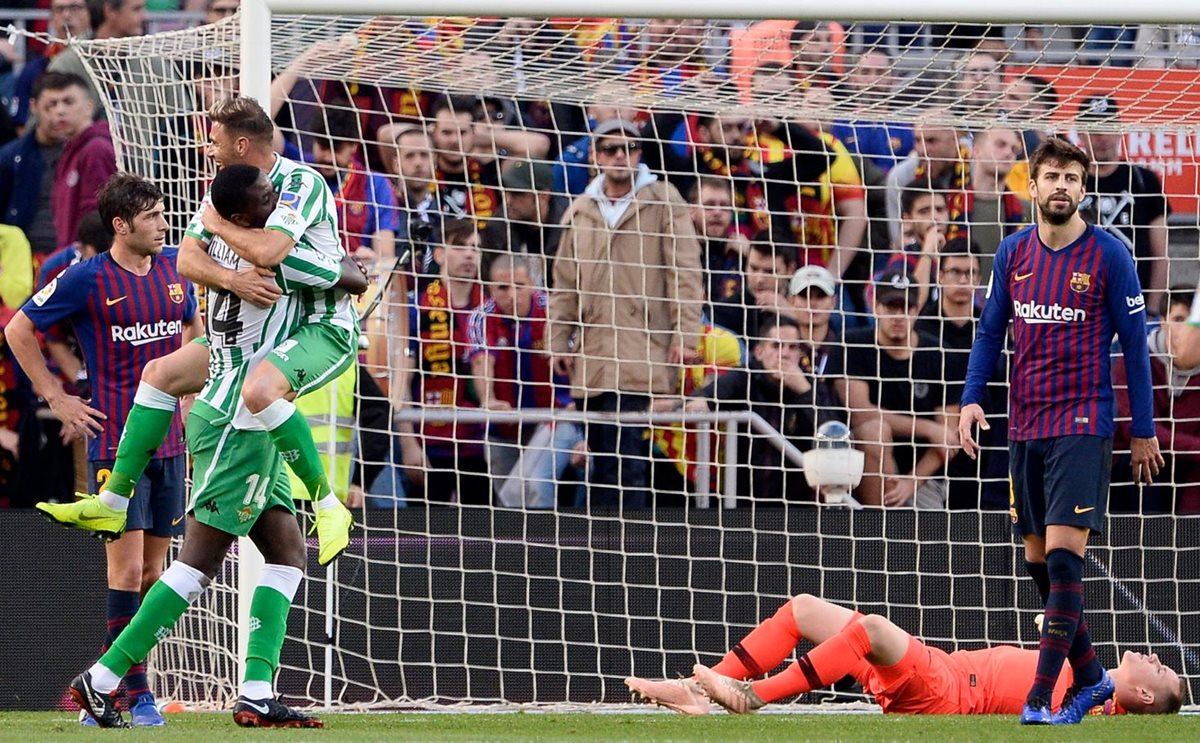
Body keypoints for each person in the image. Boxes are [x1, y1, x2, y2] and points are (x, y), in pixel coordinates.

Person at [56, 162, 366, 730]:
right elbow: (347, 276)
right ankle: (102, 680)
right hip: (236, 420)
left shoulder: (218, 251)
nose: (279, 203)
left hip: (228, 406)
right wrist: (346, 281)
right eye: (268, 197)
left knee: (286, 552)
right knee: (197, 563)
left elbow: (192, 256)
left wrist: (216, 226)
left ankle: (255, 689)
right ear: (246, 215)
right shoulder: (269, 257)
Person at [34, 97, 365, 568]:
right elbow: (188, 261)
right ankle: (110, 504)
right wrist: (231, 278)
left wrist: (217, 229)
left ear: (242, 143)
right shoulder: (223, 191)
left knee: (196, 563)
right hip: (242, 342)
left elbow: (270, 250)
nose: (208, 150)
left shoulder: (298, 185)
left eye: (214, 140)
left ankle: (328, 506)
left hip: (299, 331)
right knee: (159, 374)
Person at [958, 137, 1163, 724]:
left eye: (1072, 178)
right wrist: (972, 400)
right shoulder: (1013, 253)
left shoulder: (1110, 255)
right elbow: (990, 330)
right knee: (1038, 566)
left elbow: (1132, 347)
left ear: (1083, 189)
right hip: (1024, 425)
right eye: (1052, 176)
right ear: (1034, 185)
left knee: (1065, 557)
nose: (1062, 187)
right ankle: (1095, 676)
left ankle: (1040, 700)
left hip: (1083, 423)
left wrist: (1141, 431)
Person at [10, 174, 200, 727]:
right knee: (126, 570)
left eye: (164, 214)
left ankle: (111, 692)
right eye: (153, 216)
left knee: (153, 574)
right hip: (118, 446)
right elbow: (19, 329)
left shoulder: (173, 270)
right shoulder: (86, 279)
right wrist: (57, 396)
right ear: (121, 225)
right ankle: (134, 696)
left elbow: (192, 325)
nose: (164, 224)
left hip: (171, 445)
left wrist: (189, 398)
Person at [626, 593, 1182, 716]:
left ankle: (752, 697)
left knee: (870, 627)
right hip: (940, 668)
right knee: (802, 611)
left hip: (945, 688)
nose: (1154, 656)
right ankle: (700, 690)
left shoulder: (1091, 710)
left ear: (1141, 694)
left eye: (1160, 670)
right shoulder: (1086, 678)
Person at [549, 117, 705, 508]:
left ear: (639, 153)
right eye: (610, 149)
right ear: (596, 156)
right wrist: (556, 341)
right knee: (602, 463)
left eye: (629, 148)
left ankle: (629, 553)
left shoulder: (664, 199)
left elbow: (685, 272)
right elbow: (564, 284)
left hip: (644, 346)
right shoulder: (580, 210)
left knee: (629, 460)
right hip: (595, 351)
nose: (621, 155)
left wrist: (686, 336)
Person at [828, 269, 957, 508]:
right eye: (891, 306)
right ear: (875, 306)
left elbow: (949, 437)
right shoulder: (851, 344)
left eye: (906, 308)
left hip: (922, 476)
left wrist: (911, 482)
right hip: (858, 469)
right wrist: (928, 428)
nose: (898, 316)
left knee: (933, 539)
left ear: (916, 310)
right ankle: (878, 529)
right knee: (874, 431)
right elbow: (860, 413)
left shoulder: (939, 354)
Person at [683, 314, 842, 503]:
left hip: (799, 503)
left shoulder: (810, 385)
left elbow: (834, 433)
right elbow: (703, 396)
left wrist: (804, 391)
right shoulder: (745, 377)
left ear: (800, 355)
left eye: (792, 347)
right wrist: (703, 401)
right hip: (745, 501)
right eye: (776, 346)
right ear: (759, 352)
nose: (784, 354)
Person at [468, 254, 579, 508]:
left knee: (535, 487)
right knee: (508, 502)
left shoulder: (552, 311)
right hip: (504, 425)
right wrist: (488, 399)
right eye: (503, 288)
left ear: (532, 284)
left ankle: (544, 546)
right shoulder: (481, 317)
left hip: (552, 420)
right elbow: (481, 360)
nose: (512, 295)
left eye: (520, 285)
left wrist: (577, 402)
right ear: (490, 289)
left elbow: (574, 360)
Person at [400, 217, 488, 504]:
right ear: (438, 255)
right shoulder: (417, 306)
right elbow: (403, 380)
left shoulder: (492, 308)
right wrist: (409, 445)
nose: (469, 254)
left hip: (482, 445)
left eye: (475, 248)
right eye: (460, 246)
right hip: (431, 444)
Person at [1075, 95, 1169, 316]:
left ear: (1119, 129)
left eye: (1108, 126)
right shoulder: (1069, 180)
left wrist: (1152, 311)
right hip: (1079, 305)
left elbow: (1160, 253)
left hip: (1133, 307)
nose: (1102, 137)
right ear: (1080, 133)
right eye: (1094, 129)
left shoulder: (1143, 180)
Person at [1112, 289, 1200, 513]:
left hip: (1189, 461)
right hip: (1136, 457)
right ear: (1162, 322)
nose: (1187, 330)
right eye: (1179, 319)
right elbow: (1132, 426)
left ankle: (1189, 540)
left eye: (1193, 322)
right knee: (1145, 464)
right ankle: (1149, 542)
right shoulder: (1133, 361)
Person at [0, 71, 99, 258]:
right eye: (51, 105)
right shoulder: (10, 157)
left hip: (72, 255)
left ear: (88, 106)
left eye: (67, 103)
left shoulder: (90, 150)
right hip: (22, 259)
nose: (59, 111)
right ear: (34, 107)